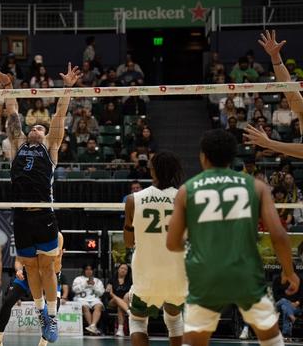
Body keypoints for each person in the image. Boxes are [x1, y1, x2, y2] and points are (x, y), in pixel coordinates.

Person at [167, 129, 299, 346]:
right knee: (272, 339)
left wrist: (198, 244)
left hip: (205, 276)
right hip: (245, 273)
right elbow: (279, 235)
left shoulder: (186, 190)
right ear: (232, 158)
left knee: (193, 342)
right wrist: (289, 272)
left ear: (203, 157)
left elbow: (172, 243)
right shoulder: (257, 187)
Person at [0, 62, 81, 344]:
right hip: (21, 216)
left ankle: (50, 316)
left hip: (44, 214)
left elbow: (60, 115)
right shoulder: (17, 144)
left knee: (47, 267)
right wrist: (7, 87)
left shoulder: (50, 146)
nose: (37, 128)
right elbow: (13, 113)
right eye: (35, 126)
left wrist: (67, 88)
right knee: (31, 269)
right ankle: (42, 313)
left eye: (41, 127)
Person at [123, 150, 187, 346]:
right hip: (176, 273)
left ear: (153, 171)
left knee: (138, 320)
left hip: (146, 274)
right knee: (175, 321)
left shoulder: (133, 199)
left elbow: (128, 242)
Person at [0, 233, 64, 346]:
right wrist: (19, 270)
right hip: (29, 274)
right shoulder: (26, 236)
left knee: (53, 308)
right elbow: (18, 260)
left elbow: (54, 263)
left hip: (50, 275)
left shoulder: (56, 237)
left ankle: (43, 342)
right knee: (8, 301)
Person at [72, 265, 105, 334]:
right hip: (81, 299)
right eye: (87, 269)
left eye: (90, 269)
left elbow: (101, 293)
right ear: (84, 270)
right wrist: (85, 284)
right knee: (85, 306)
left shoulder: (97, 280)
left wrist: (94, 286)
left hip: (94, 299)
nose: (89, 271)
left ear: (93, 271)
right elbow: (74, 290)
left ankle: (92, 326)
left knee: (98, 306)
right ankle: (92, 327)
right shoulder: (78, 279)